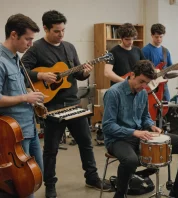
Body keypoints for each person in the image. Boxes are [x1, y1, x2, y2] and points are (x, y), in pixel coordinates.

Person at [21, 10, 110, 198]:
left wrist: (85, 72)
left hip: (73, 102)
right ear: (45, 28)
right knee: (51, 149)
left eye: (63, 30)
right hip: (52, 105)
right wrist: (41, 75)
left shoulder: (69, 47)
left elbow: (77, 74)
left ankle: (92, 177)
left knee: (86, 143)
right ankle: (50, 184)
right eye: (56, 31)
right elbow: (22, 70)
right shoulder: (36, 48)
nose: (61, 34)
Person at [103, 60, 178, 198]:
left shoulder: (142, 92)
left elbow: (145, 117)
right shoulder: (113, 93)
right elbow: (108, 126)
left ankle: (177, 188)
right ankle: (120, 195)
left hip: (141, 135)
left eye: (147, 83)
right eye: (141, 81)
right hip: (118, 139)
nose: (144, 86)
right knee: (131, 161)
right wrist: (134, 132)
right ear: (132, 75)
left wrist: (150, 125)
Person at [0, 13, 43, 198]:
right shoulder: (1, 61)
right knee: (22, 183)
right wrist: (25, 98)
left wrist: (31, 96)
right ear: (14, 35)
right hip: (14, 133)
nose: (30, 44)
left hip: (29, 127)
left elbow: (13, 89)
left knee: (35, 175)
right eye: (28, 39)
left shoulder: (16, 58)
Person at [142, 23, 178, 101]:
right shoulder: (145, 50)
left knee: (166, 107)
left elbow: (171, 67)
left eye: (161, 37)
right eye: (156, 37)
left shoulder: (165, 51)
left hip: (163, 85)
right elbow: (141, 69)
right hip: (150, 85)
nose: (159, 39)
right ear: (152, 35)